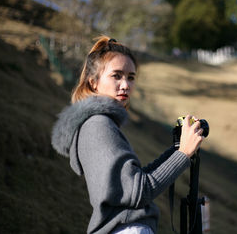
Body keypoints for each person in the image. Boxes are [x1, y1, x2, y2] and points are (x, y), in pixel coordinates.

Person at [51, 36, 204, 234]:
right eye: (117, 75)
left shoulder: (98, 125)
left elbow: (135, 182)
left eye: (131, 77)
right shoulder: (98, 125)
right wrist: (183, 154)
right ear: (93, 83)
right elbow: (139, 192)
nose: (125, 85)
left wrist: (178, 149)